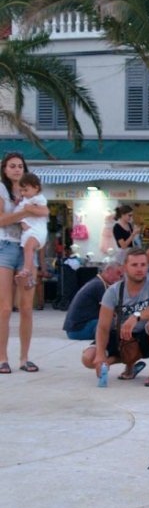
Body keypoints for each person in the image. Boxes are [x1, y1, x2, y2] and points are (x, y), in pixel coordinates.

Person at [82, 248, 149, 386]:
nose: (140, 269)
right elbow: (103, 327)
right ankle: (123, 362)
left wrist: (136, 316)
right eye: (134, 265)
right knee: (88, 359)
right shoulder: (113, 291)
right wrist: (100, 354)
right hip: (120, 337)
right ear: (124, 268)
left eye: (143, 264)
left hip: (144, 338)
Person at [0, 152, 46, 374]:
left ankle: (24, 358)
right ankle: (2, 357)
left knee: (27, 307)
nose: (16, 169)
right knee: (5, 307)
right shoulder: (2, 190)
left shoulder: (33, 190)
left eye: (20, 165)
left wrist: (27, 211)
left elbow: (44, 215)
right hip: (6, 246)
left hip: (29, 248)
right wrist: (26, 212)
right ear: (5, 169)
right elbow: (0, 220)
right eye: (12, 166)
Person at [63, 262, 123, 340]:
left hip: (73, 329)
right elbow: (111, 311)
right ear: (108, 270)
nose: (119, 278)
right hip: (78, 330)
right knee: (112, 321)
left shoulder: (97, 282)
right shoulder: (99, 286)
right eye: (118, 274)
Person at [13, 173, 48, 290]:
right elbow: (17, 214)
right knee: (29, 253)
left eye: (26, 190)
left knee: (28, 249)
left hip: (37, 231)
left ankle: (26, 270)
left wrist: (30, 208)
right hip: (28, 233)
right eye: (21, 190)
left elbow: (44, 212)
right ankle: (30, 277)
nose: (23, 193)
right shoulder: (25, 200)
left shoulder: (38, 198)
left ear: (36, 188)